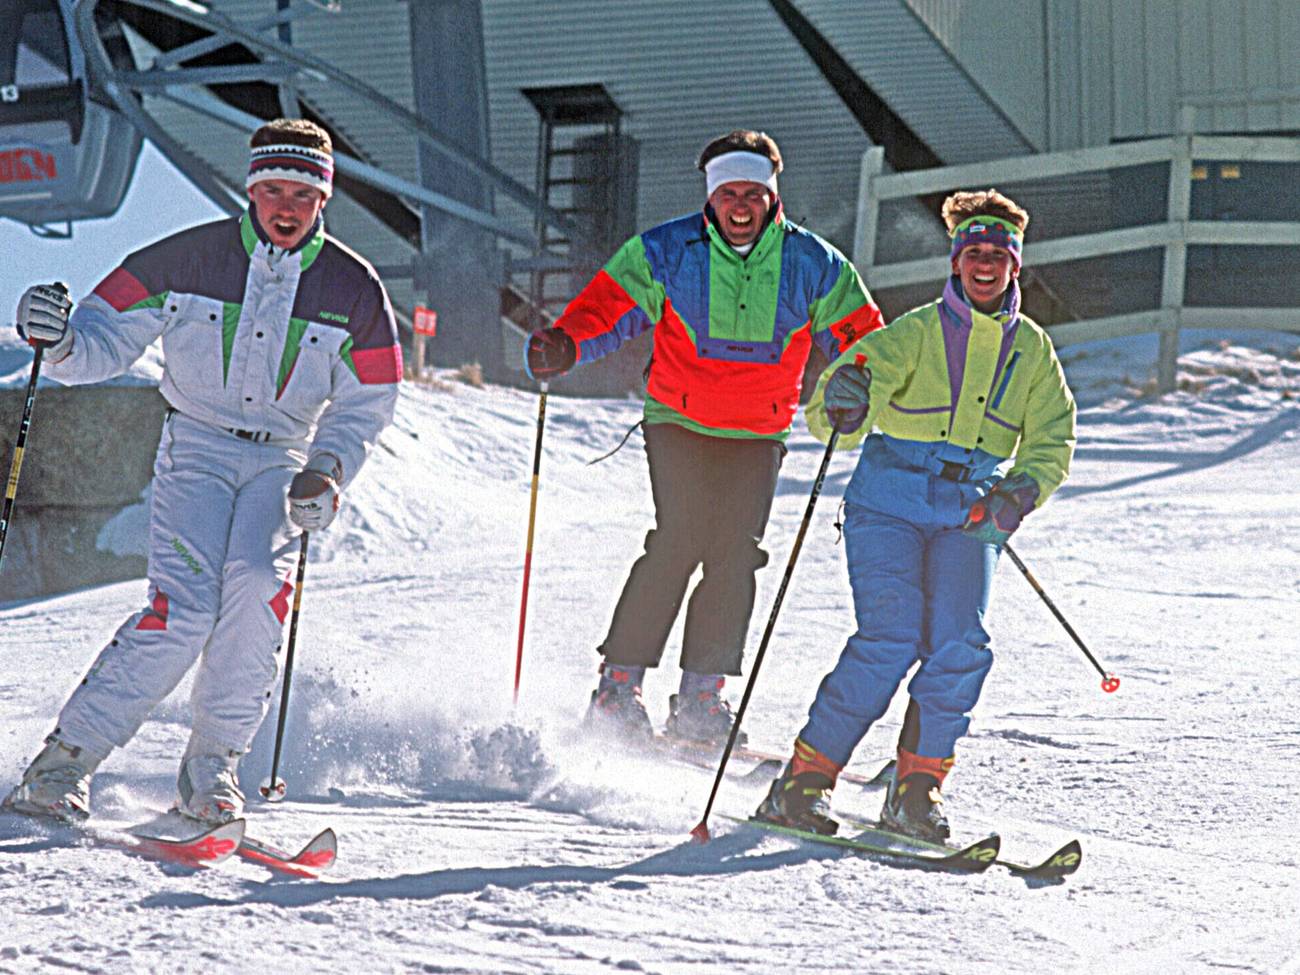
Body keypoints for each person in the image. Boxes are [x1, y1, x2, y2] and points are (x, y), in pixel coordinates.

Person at [3, 118, 402, 825]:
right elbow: (98, 340)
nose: (285, 207)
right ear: (251, 190)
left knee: (257, 586)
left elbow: (370, 398)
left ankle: (213, 767)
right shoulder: (185, 259)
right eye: (273, 190)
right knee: (183, 610)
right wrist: (57, 340)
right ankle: (62, 764)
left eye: (302, 194)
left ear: (323, 199)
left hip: (282, 460)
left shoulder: (354, 287)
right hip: (196, 450)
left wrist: (329, 468)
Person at [524, 129, 884, 745]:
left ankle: (700, 699)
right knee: (678, 542)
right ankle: (617, 689)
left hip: (758, 430)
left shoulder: (815, 264)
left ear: (772, 197)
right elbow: (609, 308)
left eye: (752, 193)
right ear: (710, 198)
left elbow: (864, 340)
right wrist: (565, 343)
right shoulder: (668, 250)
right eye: (727, 194)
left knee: (735, 556)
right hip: (680, 421)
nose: (740, 206)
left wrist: (862, 386)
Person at [755, 189, 1076, 841]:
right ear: (956, 261)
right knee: (892, 636)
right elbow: (835, 406)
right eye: (974, 253)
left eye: (998, 256)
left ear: (1016, 265)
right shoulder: (916, 332)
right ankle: (804, 781)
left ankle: (917, 789)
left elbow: (1053, 437)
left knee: (962, 643)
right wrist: (844, 400)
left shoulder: (1032, 351)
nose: (985, 265)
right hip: (889, 505)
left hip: (971, 513)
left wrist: (1018, 491)